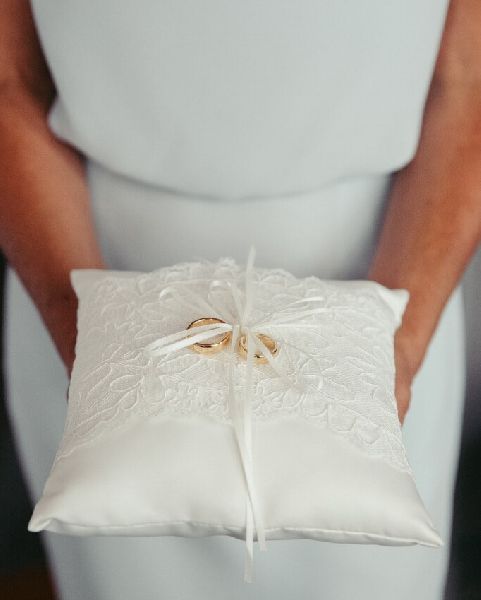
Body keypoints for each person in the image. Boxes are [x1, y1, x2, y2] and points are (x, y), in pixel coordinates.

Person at [1, 0, 480, 598]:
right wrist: (87, 333)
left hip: (390, 271)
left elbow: (469, 78)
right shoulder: (84, 317)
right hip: (83, 258)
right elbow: (10, 82)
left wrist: (398, 352)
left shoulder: (390, 341)